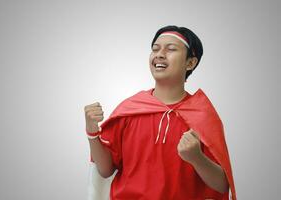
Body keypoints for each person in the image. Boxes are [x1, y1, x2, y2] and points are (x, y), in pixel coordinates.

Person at [84, 25, 236, 200]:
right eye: (155, 49)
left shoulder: (202, 115)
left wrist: (197, 158)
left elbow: (222, 184)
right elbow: (105, 170)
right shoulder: (130, 109)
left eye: (171, 49)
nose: (160, 54)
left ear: (190, 62)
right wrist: (92, 132)